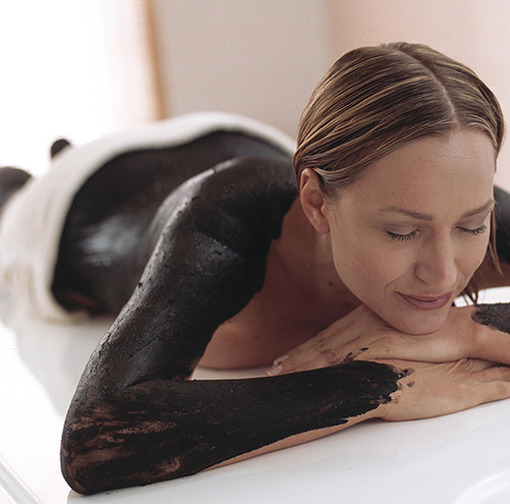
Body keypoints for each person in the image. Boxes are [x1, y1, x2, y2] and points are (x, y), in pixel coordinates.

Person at [3, 42, 510, 495]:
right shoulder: (222, 235)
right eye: (401, 232)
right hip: (83, 204)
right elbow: (96, 438)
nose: (444, 275)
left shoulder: (442, 186)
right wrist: (382, 386)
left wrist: (467, 330)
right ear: (316, 203)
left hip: (239, 139)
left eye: (471, 226)